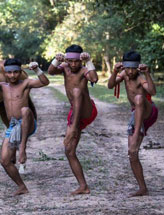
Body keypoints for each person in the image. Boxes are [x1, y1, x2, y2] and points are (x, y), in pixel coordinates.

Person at [0, 58, 49, 195]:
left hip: (27, 123)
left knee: (25, 110)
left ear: (21, 72)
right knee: (4, 160)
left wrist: (37, 69)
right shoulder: (3, 86)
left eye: (16, 72)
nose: (13, 76)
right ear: (5, 73)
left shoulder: (25, 84)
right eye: (10, 73)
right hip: (13, 127)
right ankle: (21, 186)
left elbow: (44, 82)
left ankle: (22, 148)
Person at [48, 44, 98, 195]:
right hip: (74, 111)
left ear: (81, 61)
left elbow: (94, 78)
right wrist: (56, 60)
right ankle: (83, 186)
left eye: (77, 61)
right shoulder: (64, 68)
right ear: (67, 60)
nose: (74, 64)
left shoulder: (84, 70)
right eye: (70, 61)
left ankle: (74, 128)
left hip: (87, 110)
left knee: (77, 91)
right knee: (69, 151)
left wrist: (89, 62)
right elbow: (50, 71)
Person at [107, 50, 158, 197]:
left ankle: (136, 133)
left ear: (138, 67)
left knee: (139, 99)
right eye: (127, 68)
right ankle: (142, 188)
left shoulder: (141, 77)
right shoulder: (123, 75)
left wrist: (147, 73)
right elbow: (110, 86)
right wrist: (114, 71)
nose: (130, 72)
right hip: (136, 114)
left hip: (149, 112)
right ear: (124, 67)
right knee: (132, 153)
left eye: (133, 68)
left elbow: (152, 92)